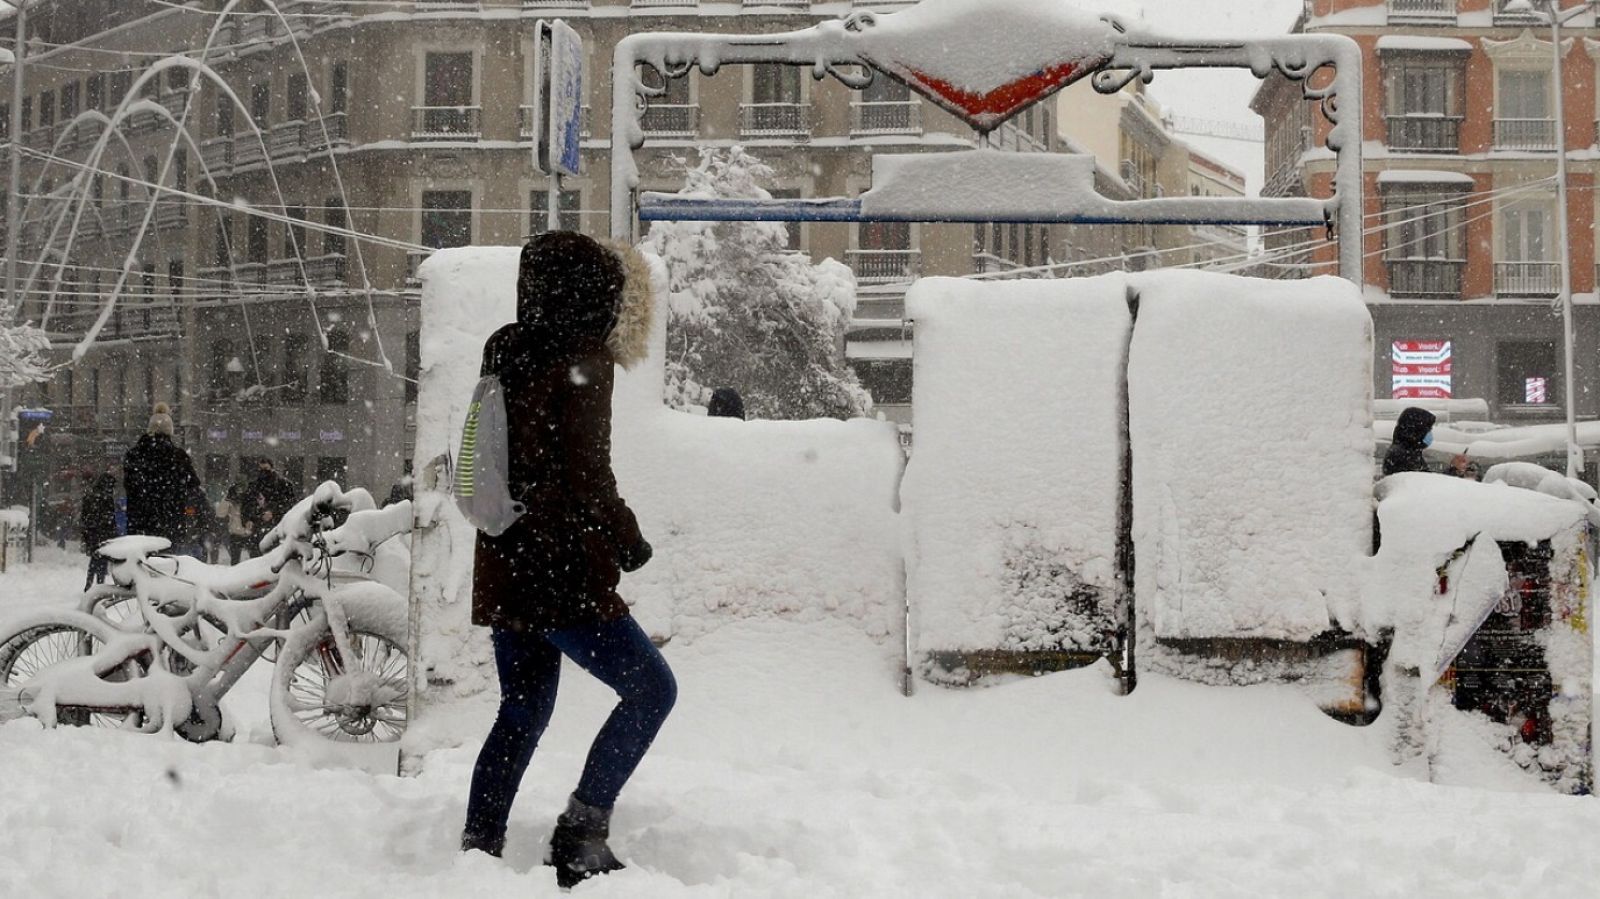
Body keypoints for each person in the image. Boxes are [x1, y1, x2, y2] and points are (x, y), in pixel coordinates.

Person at [460, 232, 673, 889]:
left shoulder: (507, 346)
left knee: (521, 710)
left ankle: (477, 848)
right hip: (559, 568)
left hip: (505, 555)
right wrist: (629, 539)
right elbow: (587, 473)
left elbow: (502, 455)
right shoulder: (582, 357)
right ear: (596, 294)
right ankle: (581, 832)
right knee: (652, 690)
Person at [121, 403, 207, 554]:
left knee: (141, 568)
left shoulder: (133, 455)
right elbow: (194, 484)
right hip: (170, 523)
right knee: (167, 568)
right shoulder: (178, 456)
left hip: (140, 525)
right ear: (170, 431)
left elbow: (129, 486)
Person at [1383, 406, 1469, 478]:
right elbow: (1426, 486)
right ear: (1417, 430)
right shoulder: (1404, 456)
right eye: (1428, 429)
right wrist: (1453, 471)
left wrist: (1454, 470)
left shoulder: (1408, 451)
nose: (1430, 433)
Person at [79, 465, 118, 591]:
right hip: (103, 532)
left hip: (92, 532)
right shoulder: (106, 498)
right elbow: (110, 518)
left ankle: (89, 583)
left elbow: (84, 515)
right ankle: (99, 584)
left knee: (95, 558)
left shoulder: (90, 494)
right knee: (101, 559)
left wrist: (85, 534)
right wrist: (113, 533)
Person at [246, 459, 298, 540]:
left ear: (272, 468)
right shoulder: (254, 485)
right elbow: (248, 504)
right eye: (261, 469)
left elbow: (290, 504)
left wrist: (273, 511)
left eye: (266, 469)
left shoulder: (284, 484)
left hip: (277, 526)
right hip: (258, 526)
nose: (263, 473)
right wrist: (250, 518)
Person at [216, 483, 253, 564]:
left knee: (252, 559)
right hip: (236, 533)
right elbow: (220, 514)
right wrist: (227, 500)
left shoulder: (249, 501)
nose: (239, 494)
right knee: (236, 559)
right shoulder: (230, 502)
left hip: (248, 532)